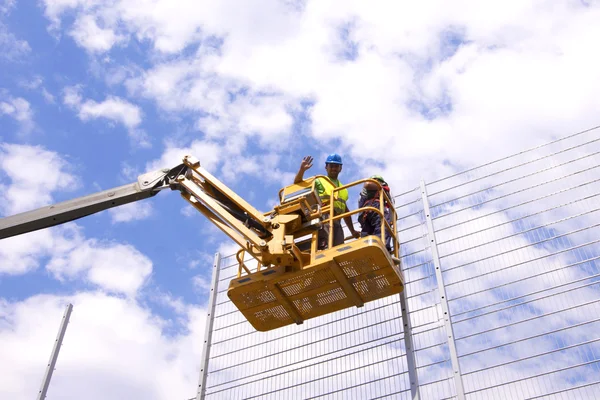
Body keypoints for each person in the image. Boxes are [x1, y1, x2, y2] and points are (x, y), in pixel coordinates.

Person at [294, 154, 360, 249]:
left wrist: (352, 231)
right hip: (324, 217)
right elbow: (297, 183)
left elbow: (345, 211)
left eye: (336, 166)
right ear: (326, 167)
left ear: (340, 168)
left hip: (337, 220)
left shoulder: (344, 189)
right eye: (331, 166)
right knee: (325, 246)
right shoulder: (320, 180)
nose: (334, 168)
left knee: (339, 249)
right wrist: (302, 170)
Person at [358, 175, 395, 252]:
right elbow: (367, 184)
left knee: (368, 232)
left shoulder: (364, 194)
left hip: (365, 212)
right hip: (376, 207)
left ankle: (366, 250)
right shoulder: (377, 187)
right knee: (382, 226)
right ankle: (382, 247)